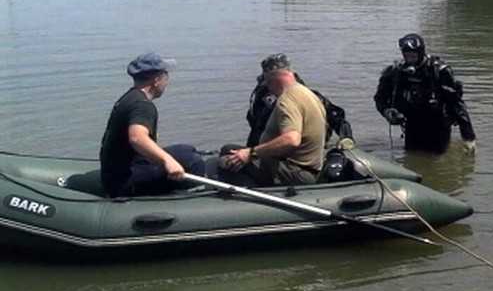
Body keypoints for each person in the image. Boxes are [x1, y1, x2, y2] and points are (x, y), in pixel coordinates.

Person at [99, 52, 205, 198]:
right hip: (124, 181)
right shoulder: (143, 105)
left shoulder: (129, 97)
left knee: (187, 150)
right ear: (157, 80)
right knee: (193, 162)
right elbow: (137, 138)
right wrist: (168, 161)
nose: (167, 81)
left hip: (118, 171)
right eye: (166, 75)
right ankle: (188, 202)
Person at [220, 54, 327, 186]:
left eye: (267, 83)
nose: (268, 88)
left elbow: (292, 139)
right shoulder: (307, 93)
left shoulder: (287, 100)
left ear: (271, 79)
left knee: (227, 158)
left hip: (296, 172)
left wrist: (252, 153)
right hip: (306, 168)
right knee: (230, 149)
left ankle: (246, 198)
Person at [374, 33, 476, 154]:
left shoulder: (439, 71)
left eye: (413, 55)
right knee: (412, 157)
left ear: (421, 52)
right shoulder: (395, 72)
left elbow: (457, 104)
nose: (410, 59)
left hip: (438, 124)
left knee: (437, 161)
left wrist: (468, 137)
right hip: (412, 123)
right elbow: (380, 98)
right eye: (407, 55)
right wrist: (387, 112)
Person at [246, 69, 352, 148]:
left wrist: (346, 137)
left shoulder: (313, 98)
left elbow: (338, 118)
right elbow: (256, 129)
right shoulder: (266, 102)